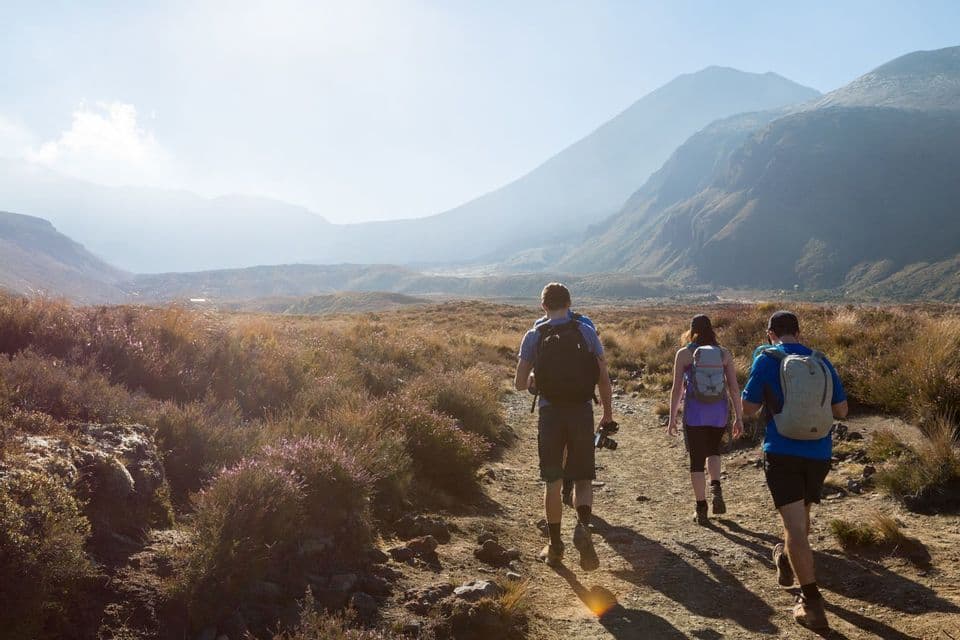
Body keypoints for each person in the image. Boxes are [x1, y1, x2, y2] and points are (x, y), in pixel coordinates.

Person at [742, 310, 848, 631]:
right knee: (801, 517)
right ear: (798, 333)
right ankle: (787, 558)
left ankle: (811, 602)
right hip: (819, 453)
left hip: (783, 451)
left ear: (770, 332)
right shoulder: (821, 361)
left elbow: (748, 409)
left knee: (793, 525)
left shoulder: (767, 359)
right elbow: (841, 410)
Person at [515, 283, 615, 570]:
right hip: (582, 412)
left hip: (550, 415)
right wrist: (607, 413)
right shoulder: (586, 331)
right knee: (583, 479)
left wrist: (535, 377)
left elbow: (520, 384)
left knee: (553, 480)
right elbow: (603, 379)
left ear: (542, 306)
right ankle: (583, 527)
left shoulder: (534, 335)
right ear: (570, 303)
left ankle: (555, 545)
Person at [667, 315, 744, 524]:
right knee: (714, 450)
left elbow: (677, 390)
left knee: (696, 460)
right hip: (719, 412)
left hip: (695, 413)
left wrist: (672, 417)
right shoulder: (724, 354)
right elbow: (734, 388)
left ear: (692, 331)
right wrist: (739, 417)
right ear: (712, 330)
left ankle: (701, 507)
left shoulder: (684, 354)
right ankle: (716, 485)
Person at [531, 309, 600, 508]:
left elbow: (525, 376)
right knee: (579, 458)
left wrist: (534, 383)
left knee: (557, 455)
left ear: (544, 305)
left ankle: (563, 491)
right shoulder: (585, 326)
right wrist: (607, 409)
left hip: (550, 407)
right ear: (568, 303)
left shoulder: (539, 328)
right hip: (581, 404)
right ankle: (581, 517)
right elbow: (598, 368)